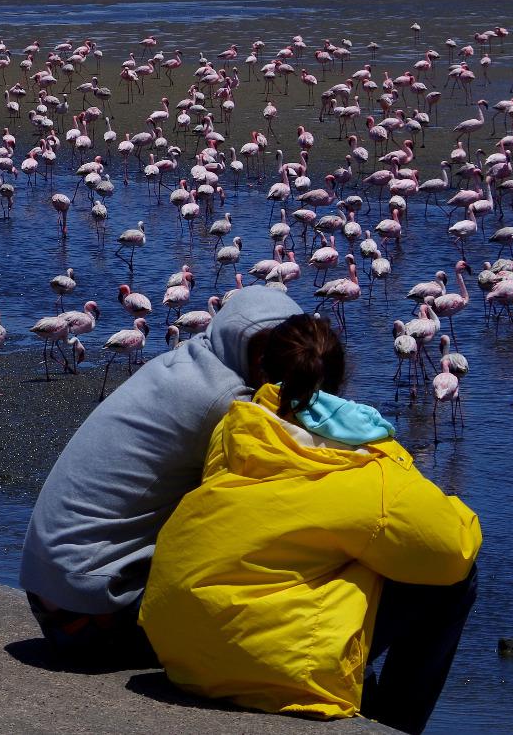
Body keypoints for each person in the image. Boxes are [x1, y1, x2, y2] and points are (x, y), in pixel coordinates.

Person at [139, 314, 480, 735]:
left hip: (181, 645)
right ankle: (395, 725)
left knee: (322, 546)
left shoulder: (237, 427)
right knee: (450, 579)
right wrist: (443, 499)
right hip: (266, 661)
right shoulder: (366, 465)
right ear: (339, 379)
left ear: (264, 370)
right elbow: (452, 550)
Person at [20, 284, 304, 663]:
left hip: (52, 589)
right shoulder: (224, 399)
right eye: (268, 354)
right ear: (240, 343)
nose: (278, 366)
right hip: (91, 611)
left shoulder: (180, 363)